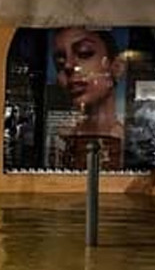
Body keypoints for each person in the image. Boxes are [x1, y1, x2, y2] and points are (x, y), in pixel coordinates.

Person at [52, 27, 125, 169]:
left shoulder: (131, 138)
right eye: (60, 62)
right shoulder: (61, 138)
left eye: (84, 53)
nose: (68, 65)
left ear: (116, 67)